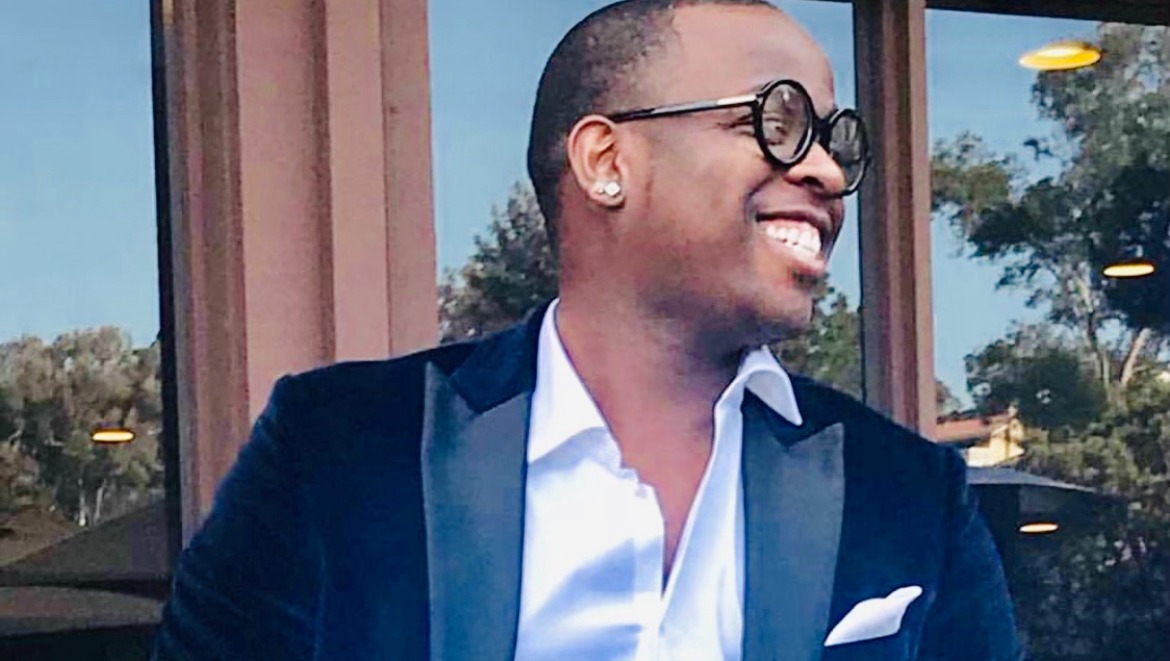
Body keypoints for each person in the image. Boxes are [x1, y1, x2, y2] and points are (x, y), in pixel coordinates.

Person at [152, 1, 1021, 659]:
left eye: (833, 139)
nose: (826, 170)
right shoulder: (338, 451)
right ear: (607, 162)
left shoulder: (909, 497)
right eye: (779, 121)